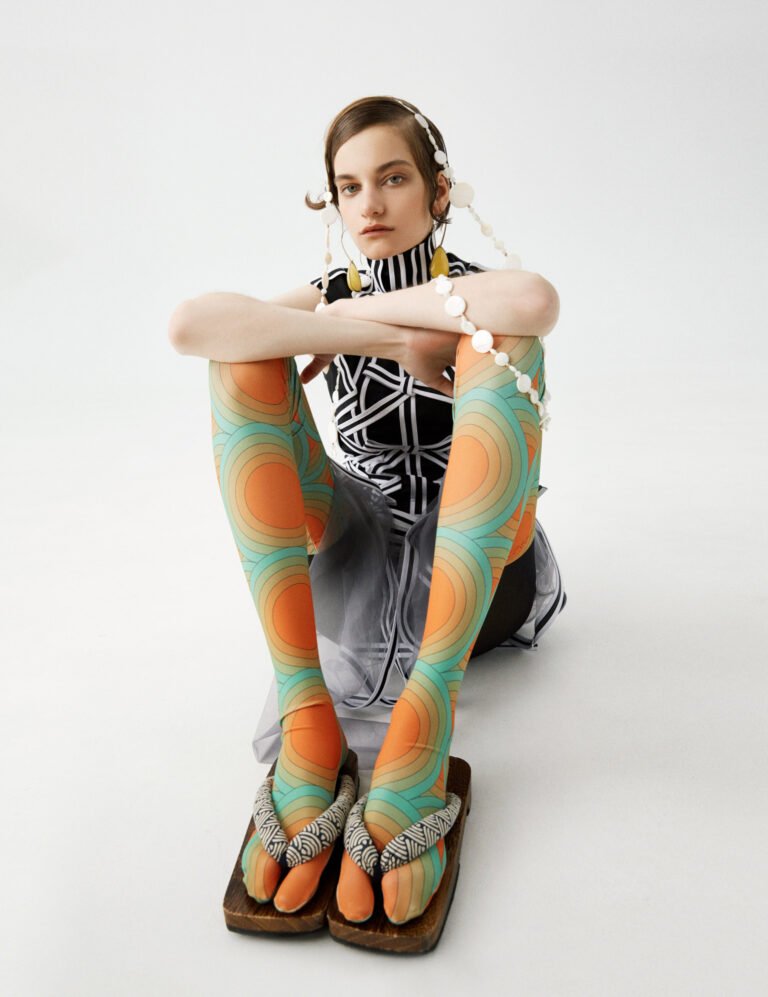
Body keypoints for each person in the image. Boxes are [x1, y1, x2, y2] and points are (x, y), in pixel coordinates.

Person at [168, 95, 566, 929]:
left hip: (485, 563)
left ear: (438, 192)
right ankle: (307, 713)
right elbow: (193, 324)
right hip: (367, 535)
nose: (371, 204)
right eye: (349, 187)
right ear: (334, 203)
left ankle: (425, 717)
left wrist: (357, 319)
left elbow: (531, 304)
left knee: (504, 347)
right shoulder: (337, 293)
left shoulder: (475, 288)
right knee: (241, 364)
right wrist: (371, 330)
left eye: (393, 178)